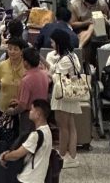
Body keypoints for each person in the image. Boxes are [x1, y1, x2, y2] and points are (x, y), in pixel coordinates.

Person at [45, 29, 83, 167]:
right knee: (71, 125)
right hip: (70, 93)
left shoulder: (65, 59)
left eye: (53, 42)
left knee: (62, 126)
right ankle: (72, 156)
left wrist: (49, 74)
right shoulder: (73, 56)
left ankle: (62, 156)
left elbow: (57, 78)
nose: (51, 44)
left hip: (62, 95)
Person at [0, 98, 54, 183]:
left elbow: (17, 155)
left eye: (32, 110)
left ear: (38, 114)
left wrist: (4, 157)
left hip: (28, 178)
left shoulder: (35, 136)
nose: (29, 112)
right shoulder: (48, 132)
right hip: (39, 178)